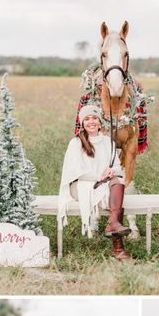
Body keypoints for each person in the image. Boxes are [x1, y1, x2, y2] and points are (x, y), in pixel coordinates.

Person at [58, 104, 132, 261]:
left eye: (94, 118)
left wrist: (112, 171)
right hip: (80, 185)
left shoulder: (108, 142)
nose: (91, 122)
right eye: (86, 119)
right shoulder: (76, 142)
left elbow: (118, 168)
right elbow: (75, 172)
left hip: (104, 182)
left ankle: (113, 223)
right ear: (82, 123)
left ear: (100, 121)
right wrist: (99, 175)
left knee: (118, 180)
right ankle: (118, 247)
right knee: (115, 197)